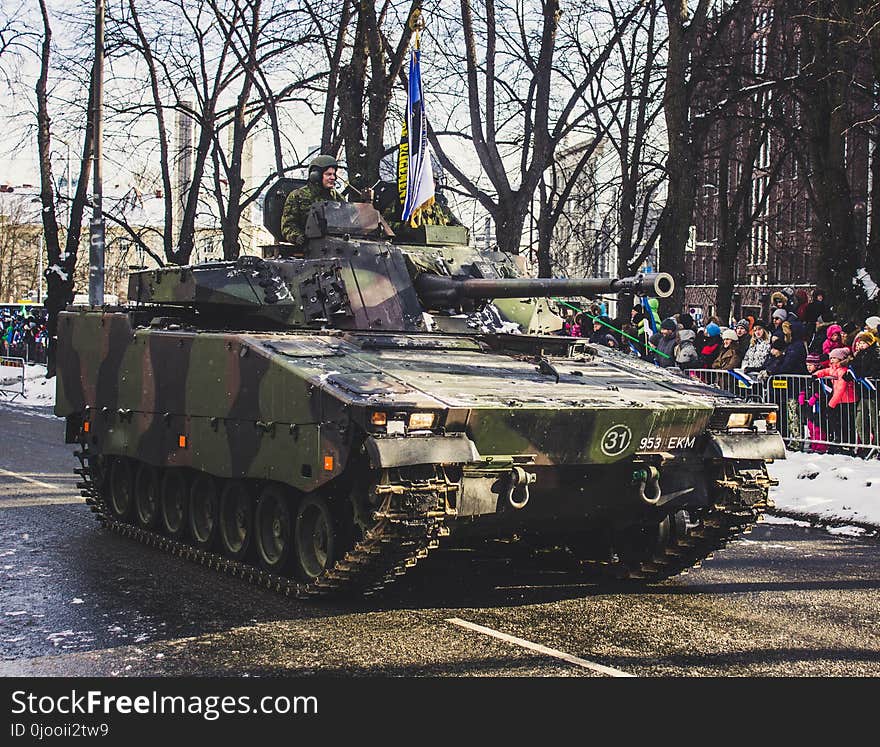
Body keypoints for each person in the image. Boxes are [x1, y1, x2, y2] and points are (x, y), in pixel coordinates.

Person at [280, 155, 345, 247]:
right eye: (328, 174)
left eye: (334, 174)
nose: (333, 178)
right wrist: (298, 237)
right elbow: (288, 225)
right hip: (309, 248)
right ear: (316, 175)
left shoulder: (337, 198)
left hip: (335, 246)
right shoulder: (298, 196)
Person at [813, 347, 857, 453]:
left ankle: (848, 445)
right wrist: (816, 374)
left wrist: (831, 404)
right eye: (831, 358)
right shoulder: (834, 368)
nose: (831, 360)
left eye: (834, 358)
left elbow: (840, 389)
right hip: (839, 400)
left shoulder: (843, 371)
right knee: (839, 422)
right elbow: (826, 371)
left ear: (840, 359)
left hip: (847, 400)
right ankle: (841, 442)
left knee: (847, 424)